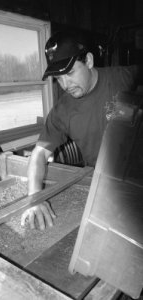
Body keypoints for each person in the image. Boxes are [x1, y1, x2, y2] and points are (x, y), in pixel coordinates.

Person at [20, 31, 141, 231]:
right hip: (99, 184)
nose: (66, 85)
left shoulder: (125, 78)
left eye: (70, 73)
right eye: (58, 79)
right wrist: (35, 197)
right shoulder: (63, 111)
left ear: (89, 61)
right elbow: (39, 154)